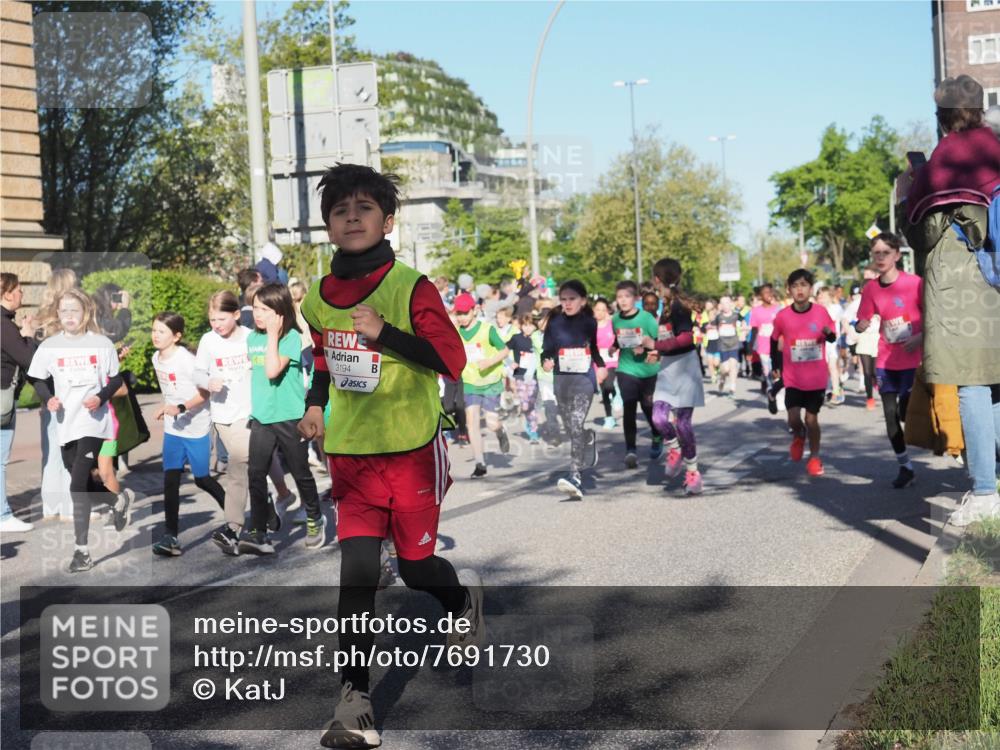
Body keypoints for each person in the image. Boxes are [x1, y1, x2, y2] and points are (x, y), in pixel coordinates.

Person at [296, 164, 482, 749]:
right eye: (339, 210)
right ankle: (354, 702)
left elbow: (452, 359)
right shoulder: (319, 300)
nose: (351, 217)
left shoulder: (411, 286)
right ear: (327, 227)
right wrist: (315, 405)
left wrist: (385, 334)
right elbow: (326, 360)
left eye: (364, 208)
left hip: (410, 450)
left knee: (415, 567)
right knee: (355, 579)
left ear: (387, 220)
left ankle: (459, 600)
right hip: (350, 453)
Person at [899, 74, 1000, 525]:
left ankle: (983, 491)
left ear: (941, 116)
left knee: (971, 382)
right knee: (995, 381)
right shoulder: (995, 147)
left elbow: (925, 231)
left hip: (963, 281)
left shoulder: (944, 159)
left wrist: (908, 193)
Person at [26, 288, 125, 571]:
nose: (69, 316)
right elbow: (38, 379)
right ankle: (116, 500)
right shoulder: (50, 346)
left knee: (76, 483)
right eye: (64, 310)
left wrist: (101, 397)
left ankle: (82, 551)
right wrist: (49, 398)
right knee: (79, 479)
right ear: (58, 314)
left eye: (75, 310)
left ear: (86, 313)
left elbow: (116, 380)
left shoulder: (101, 344)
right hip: (65, 423)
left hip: (94, 421)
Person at [244, 283, 325, 554]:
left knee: (301, 473)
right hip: (262, 418)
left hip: (290, 417)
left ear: (279, 312)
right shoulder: (252, 339)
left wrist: (273, 336)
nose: (258, 314)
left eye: (265, 309)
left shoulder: (291, 338)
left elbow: (271, 371)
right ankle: (258, 532)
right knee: (255, 474)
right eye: (255, 308)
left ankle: (315, 517)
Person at [150, 312, 225, 556]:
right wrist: (166, 406)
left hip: (196, 427)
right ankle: (170, 536)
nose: (155, 335)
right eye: (154, 330)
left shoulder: (186, 361)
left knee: (202, 479)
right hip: (174, 429)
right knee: (170, 480)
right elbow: (171, 391)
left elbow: (205, 394)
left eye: (161, 331)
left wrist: (181, 407)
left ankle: (235, 518)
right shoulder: (155, 358)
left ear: (177, 336)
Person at [854, 233, 923, 489]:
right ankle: (905, 466)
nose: (880, 257)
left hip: (914, 358)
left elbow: (934, 316)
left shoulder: (915, 283)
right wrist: (860, 326)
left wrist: (920, 336)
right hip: (885, 359)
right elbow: (863, 320)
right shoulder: (871, 288)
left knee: (907, 410)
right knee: (890, 416)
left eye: (885, 252)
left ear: (896, 255)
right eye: (876, 253)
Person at [194, 291, 253, 555]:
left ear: (237, 315)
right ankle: (268, 506)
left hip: (248, 414)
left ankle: (232, 529)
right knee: (246, 470)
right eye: (212, 319)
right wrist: (208, 382)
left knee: (237, 470)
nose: (216, 325)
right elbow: (197, 372)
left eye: (221, 318)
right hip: (221, 416)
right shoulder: (208, 341)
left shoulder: (251, 338)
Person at [643, 259, 705, 495]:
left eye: (653, 277)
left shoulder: (678, 305)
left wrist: (656, 344)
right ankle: (674, 449)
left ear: (657, 279)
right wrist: (658, 351)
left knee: (683, 423)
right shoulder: (665, 305)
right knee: (658, 417)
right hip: (668, 368)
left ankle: (693, 474)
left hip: (686, 369)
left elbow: (687, 338)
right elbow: (671, 339)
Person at [541, 279, 606, 499]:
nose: (567, 303)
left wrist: (602, 367)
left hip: (583, 380)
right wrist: (546, 361)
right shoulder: (554, 322)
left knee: (576, 423)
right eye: (564, 299)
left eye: (572, 299)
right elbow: (546, 350)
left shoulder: (589, 322)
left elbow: (595, 348)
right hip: (561, 380)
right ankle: (587, 437)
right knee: (571, 428)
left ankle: (575, 476)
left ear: (583, 300)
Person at [769, 270, 837, 477]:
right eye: (795, 286)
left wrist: (829, 334)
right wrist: (775, 365)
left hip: (816, 377)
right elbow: (774, 339)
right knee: (793, 419)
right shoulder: (782, 316)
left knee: (811, 419)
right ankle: (799, 435)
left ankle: (815, 457)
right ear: (789, 289)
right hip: (793, 377)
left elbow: (833, 337)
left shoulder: (821, 312)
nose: (800, 289)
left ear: (810, 288)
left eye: (804, 285)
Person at [34, 268, 77, 520]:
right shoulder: (70, 322)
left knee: (50, 452)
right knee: (72, 450)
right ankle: (71, 508)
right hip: (68, 394)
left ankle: (50, 507)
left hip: (46, 394)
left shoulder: (40, 322)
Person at [454, 292, 511, 477]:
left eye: (465, 313)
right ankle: (480, 463)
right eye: (458, 313)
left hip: (490, 382)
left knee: (492, 423)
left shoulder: (487, 330)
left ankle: (500, 430)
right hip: (470, 382)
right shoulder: (456, 332)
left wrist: (489, 362)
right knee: (472, 423)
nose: (462, 317)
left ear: (474, 311)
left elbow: (505, 350)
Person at [1, 273, 37, 532]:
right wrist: (29, 335)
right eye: (19, 289)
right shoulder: (4, 325)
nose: (22, 294)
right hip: (2, 400)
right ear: (7, 293)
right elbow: (27, 359)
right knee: (0, 460)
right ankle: (3, 516)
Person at [612, 279, 662, 467]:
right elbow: (620, 339)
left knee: (648, 406)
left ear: (635, 299)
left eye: (627, 296)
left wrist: (647, 348)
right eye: (619, 297)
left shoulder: (646, 318)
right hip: (626, 368)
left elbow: (660, 341)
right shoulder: (615, 319)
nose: (623, 300)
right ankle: (630, 450)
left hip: (648, 369)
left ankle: (657, 435)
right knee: (629, 406)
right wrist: (613, 347)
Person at [507, 312, 542, 442]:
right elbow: (503, 350)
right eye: (525, 325)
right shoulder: (516, 338)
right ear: (521, 326)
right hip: (520, 376)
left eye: (530, 325)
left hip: (534, 377)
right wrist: (511, 363)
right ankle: (530, 423)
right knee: (525, 405)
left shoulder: (538, 338)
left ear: (535, 326)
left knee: (531, 404)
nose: (527, 328)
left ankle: (533, 431)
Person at [749, 284, 782, 394]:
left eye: (770, 292)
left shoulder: (778, 309)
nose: (769, 295)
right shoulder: (756, 311)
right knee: (767, 370)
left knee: (777, 370)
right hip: (763, 346)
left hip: (776, 345)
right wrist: (750, 348)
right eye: (765, 293)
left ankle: (778, 392)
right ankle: (769, 387)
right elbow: (754, 330)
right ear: (760, 296)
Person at [816, 287, 845, 405]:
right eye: (819, 296)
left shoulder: (836, 308)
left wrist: (843, 336)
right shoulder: (815, 310)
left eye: (823, 296)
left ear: (830, 297)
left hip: (832, 343)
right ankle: (827, 389)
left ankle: (836, 392)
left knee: (832, 367)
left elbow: (843, 321)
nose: (821, 299)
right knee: (823, 368)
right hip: (819, 343)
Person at [593, 297, 619, 431]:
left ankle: (616, 394)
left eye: (603, 309)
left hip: (612, 359)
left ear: (607, 311)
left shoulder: (612, 323)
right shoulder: (590, 326)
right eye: (597, 309)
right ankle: (609, 417)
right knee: (604, 390)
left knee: (609, 384)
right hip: (599, 361)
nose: (600, 312)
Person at [714, 295, 743, 397]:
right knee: (725, 369)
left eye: (727, 303)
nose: (725, 305)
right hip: (723, 344)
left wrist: (744, 330)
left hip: (734, 343)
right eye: (723, 303)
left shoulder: (736, 315)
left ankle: (732, 388)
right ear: (720, 305)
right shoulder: (719, 317)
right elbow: (713, 327)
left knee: (733, 366)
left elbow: (743, 323)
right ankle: (721, 378)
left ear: (731, 304)